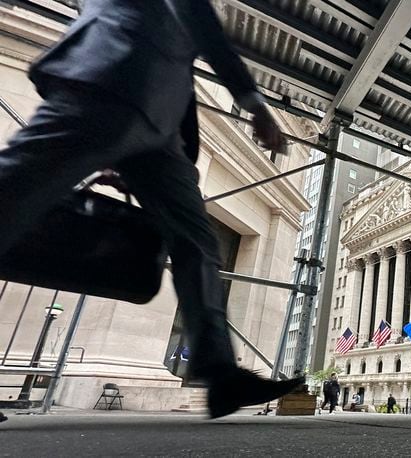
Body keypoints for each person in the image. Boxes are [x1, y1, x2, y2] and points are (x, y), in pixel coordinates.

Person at [0, 0, 302, 419]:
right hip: (114, 75)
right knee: (11, 194)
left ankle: (219, 374)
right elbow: (206, 29)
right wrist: (253, 104)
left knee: (197, 240)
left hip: (158, 124)